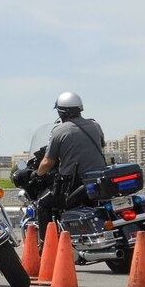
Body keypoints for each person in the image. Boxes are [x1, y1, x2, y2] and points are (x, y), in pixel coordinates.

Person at [33, 91, 106, 244]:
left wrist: (38, 174)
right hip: (98, 181)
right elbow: (101, 145)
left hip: (72, 185)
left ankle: (46, 246)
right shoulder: (95, 126)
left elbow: (47, 162)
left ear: (61, 112)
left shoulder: (59, 131)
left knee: (42, 204)